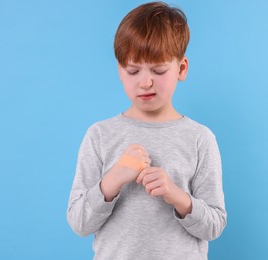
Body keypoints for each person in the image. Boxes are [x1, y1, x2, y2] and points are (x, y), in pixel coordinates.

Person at [67, 2, 226, 259]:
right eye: (133, 70)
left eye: (159, 70)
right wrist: (113, 180)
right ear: (120, 70)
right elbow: (79, 222)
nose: (145, 81)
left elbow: (214, 225)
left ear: (182, 69)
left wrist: (176, 196)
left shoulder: (200, 139)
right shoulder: (99, 135)